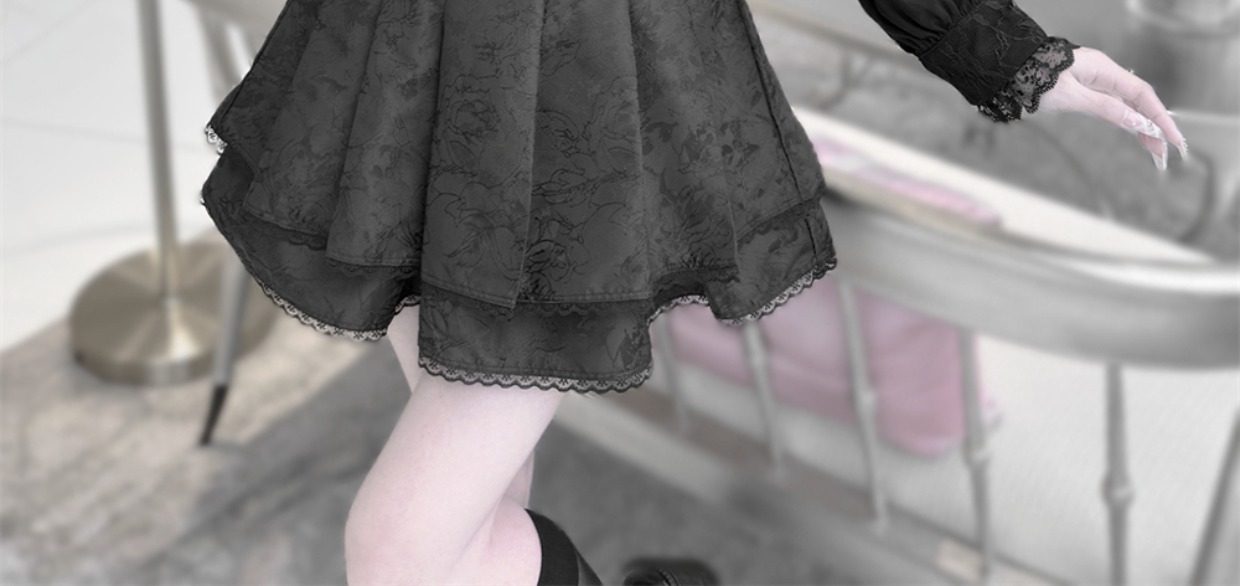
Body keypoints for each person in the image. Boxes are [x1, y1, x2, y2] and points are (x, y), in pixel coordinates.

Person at [197, 0, 1186, 584]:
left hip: (580, 91)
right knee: (478, 504)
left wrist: (1011, 53)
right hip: (405, 61)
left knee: (404, 548)